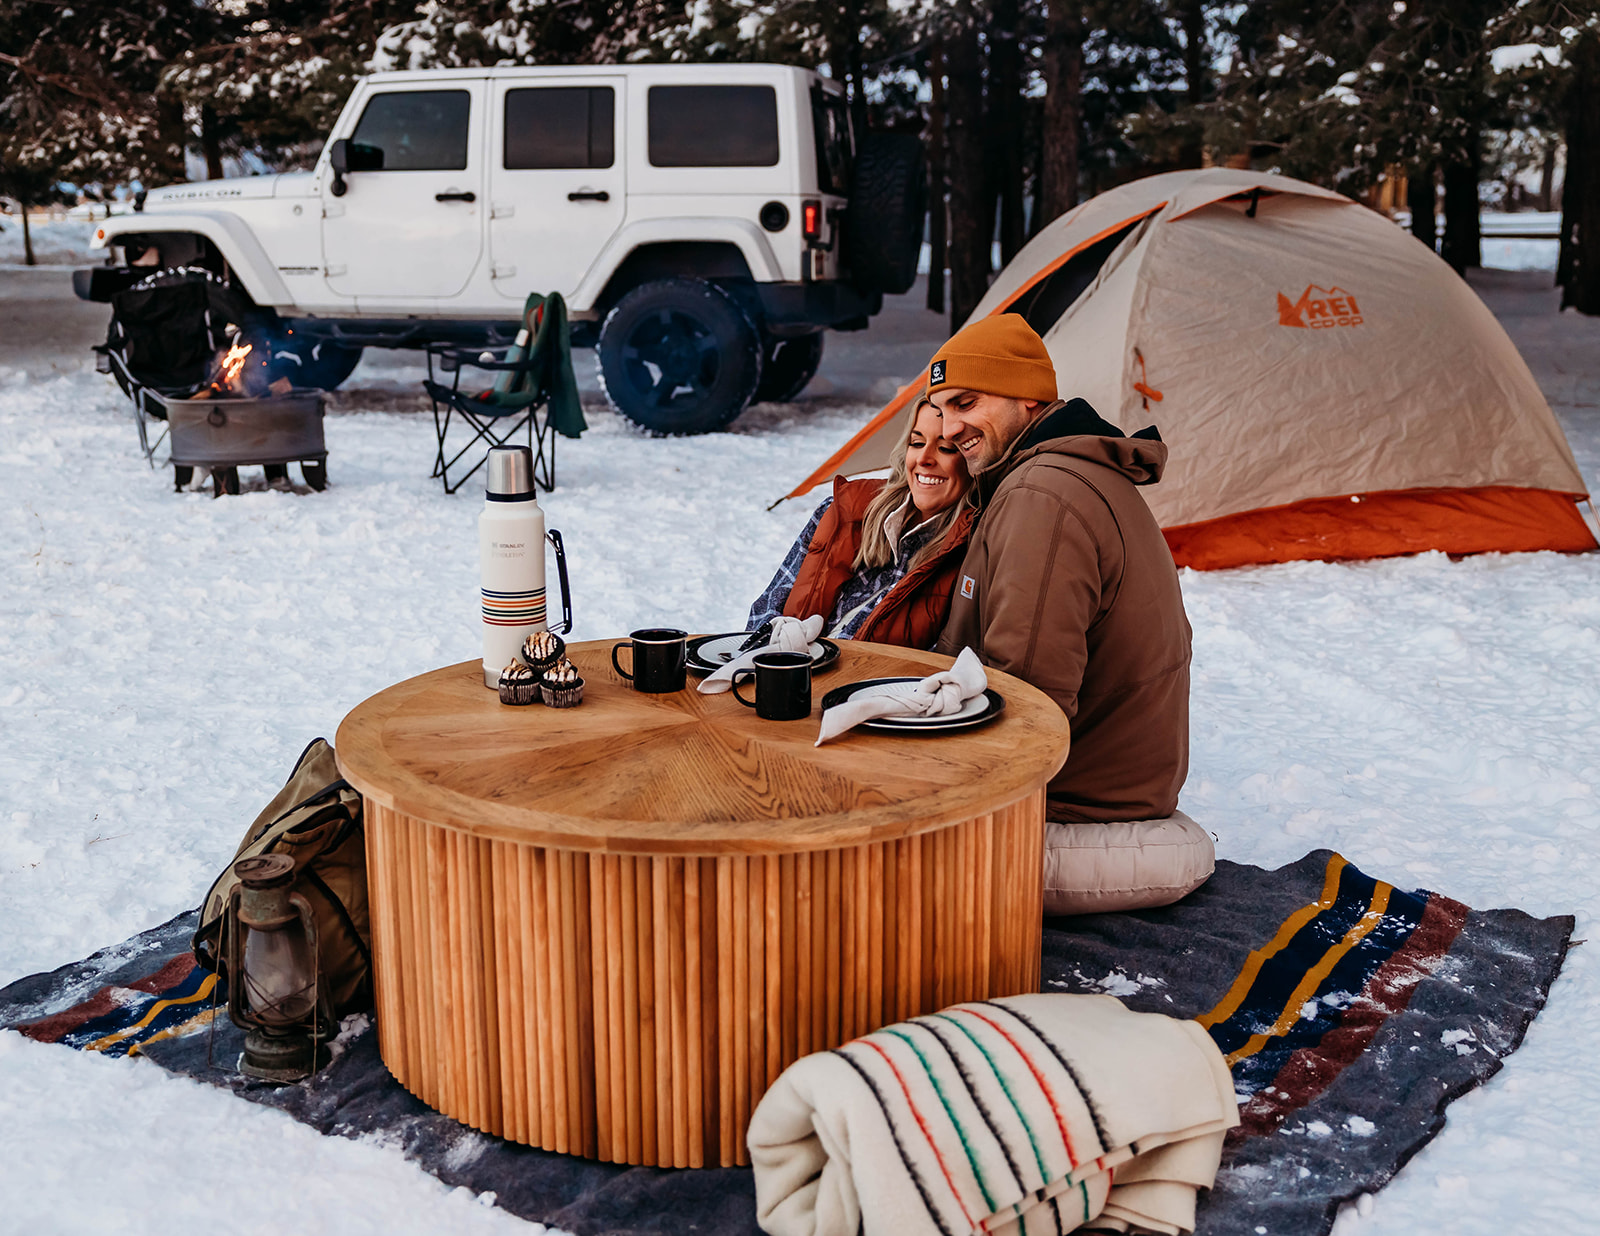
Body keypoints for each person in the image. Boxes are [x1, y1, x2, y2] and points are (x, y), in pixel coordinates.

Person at [926, 313, 1213, 915]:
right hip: (1095, 801)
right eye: (940, 409)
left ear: (1028, 397)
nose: (949, 430)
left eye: (967, 402)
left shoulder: (1044, 496)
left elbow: (1028, 705)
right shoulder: (1054, 477)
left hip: (1074, 816)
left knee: (834, 865)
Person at [749, 396, 976, 647]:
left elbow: (940, 664)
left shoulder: (970, 555)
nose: (924, 459)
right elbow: (767, 609)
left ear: (972, 465)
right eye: (917, 443)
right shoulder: (842, 509)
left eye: (946, 448)